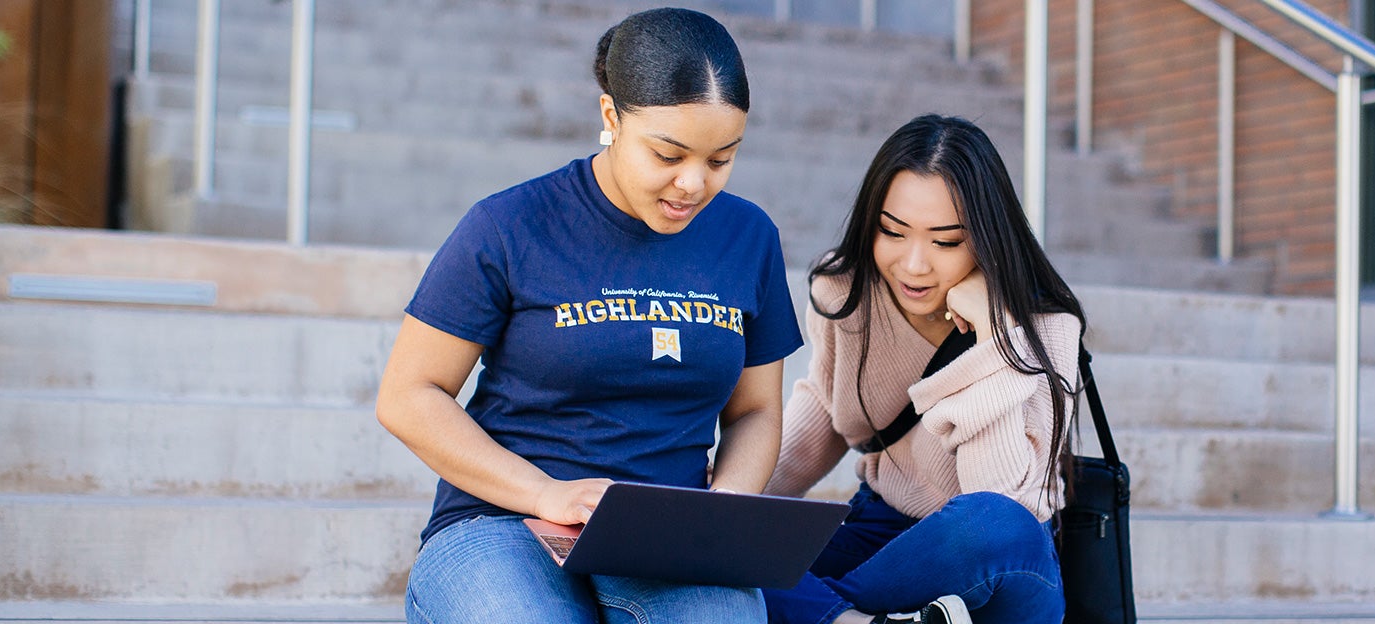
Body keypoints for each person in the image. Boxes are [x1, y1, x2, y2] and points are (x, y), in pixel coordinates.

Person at [375, 8, 801, 624]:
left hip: (668, 537)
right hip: (503, 522)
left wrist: (727, 510)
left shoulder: (749, 237)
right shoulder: (509, 225)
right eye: (668, 154)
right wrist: (547, 494)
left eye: (720, 159)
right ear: (611, 119)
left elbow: (756, 411)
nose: (693, 183)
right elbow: (408, 395)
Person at [763, 114, 1085, 624]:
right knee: (729, 556)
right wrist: (726, 502)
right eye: (893, 232)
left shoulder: (1046, 327)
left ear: (986, 238)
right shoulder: (847, 294)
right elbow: (821, 421)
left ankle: (825, 613)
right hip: (882, 531)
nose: (914, 265)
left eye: (946, 241)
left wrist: (993, 336)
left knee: (993, 524)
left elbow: (997, 497)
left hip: (1000, 559)